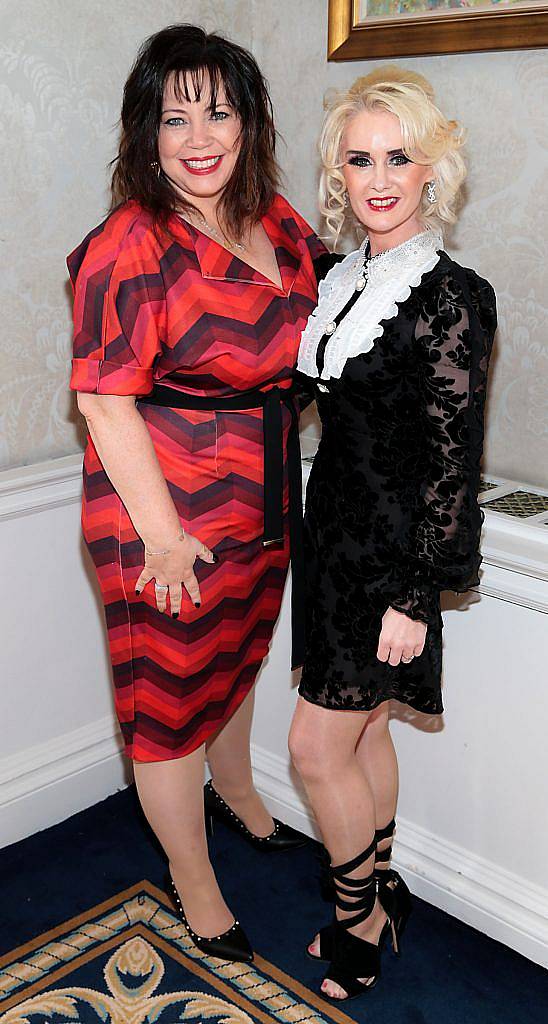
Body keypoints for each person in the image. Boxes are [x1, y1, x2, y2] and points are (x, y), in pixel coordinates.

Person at [68, 24, 326, 964]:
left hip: (261, 494)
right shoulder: (130, 242)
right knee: (169, 702)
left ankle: (241, 789)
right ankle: (194, 878)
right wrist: (167, 539)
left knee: (238, 654)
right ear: (146, 133)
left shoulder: (280, 220)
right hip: (161, 511)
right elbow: (102, 399)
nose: (200, 135)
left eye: (219, 110)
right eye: (175, 117)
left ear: (251, 122)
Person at [289, 67, 497, 1001]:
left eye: (398, 157)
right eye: (359, 156)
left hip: (392, 560)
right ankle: (385, 887)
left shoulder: (452, 296)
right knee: (367, 729)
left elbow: (454, 464)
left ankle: (357, 919)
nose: (377, 176)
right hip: (330, 541)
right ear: (339, 167)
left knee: (312, 749)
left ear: (431, 169)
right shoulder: (339, 279)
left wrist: (419, 591)